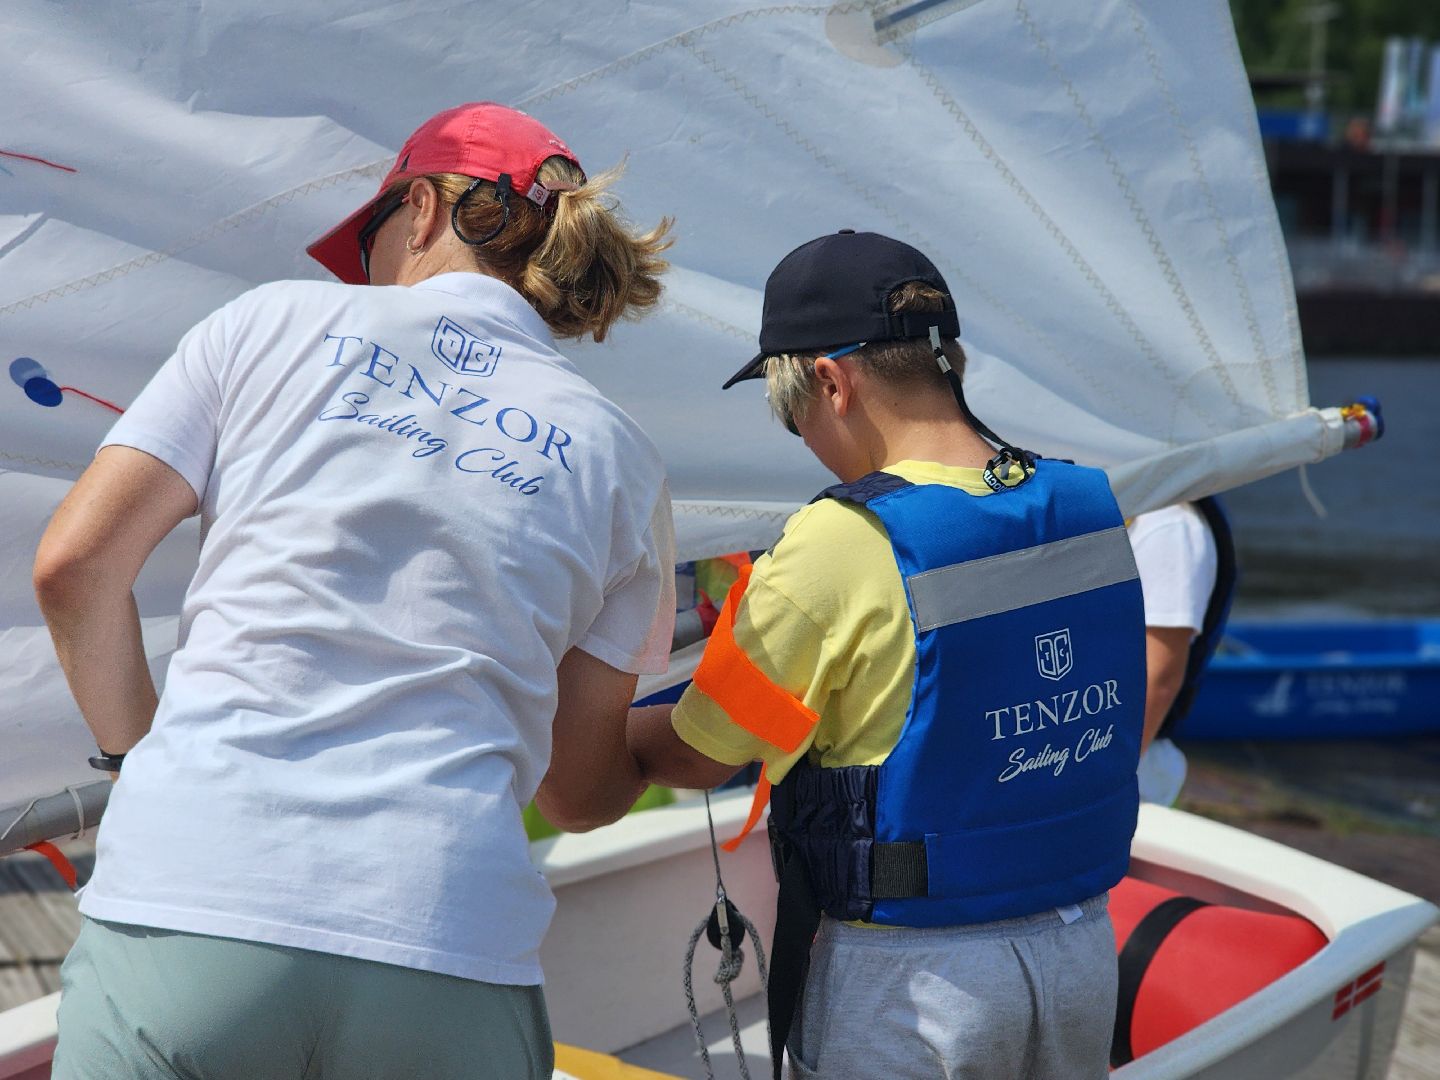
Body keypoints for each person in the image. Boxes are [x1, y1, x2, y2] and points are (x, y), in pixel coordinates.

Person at [34, 102, 676, 1079]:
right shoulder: (625, 463)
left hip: (196, 885)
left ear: (420, 209)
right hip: (445, 933)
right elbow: (577, 790)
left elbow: (76, 569)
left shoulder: (269, 321)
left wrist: (137, 762)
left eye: (369, 241)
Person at [627, 230, 1147, 1080]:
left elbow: (699, 751)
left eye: (788, 409)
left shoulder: (841, 538)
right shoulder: (1090, 502)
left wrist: (611, 733)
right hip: (1080, 951)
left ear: (829, 383)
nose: (800, 437)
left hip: (919, 980)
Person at [1130, 499, 1237, 806]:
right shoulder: (1122, 508)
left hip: (1126, 765)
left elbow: (1159, 677)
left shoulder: (1170, 525)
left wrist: (1101, 780)